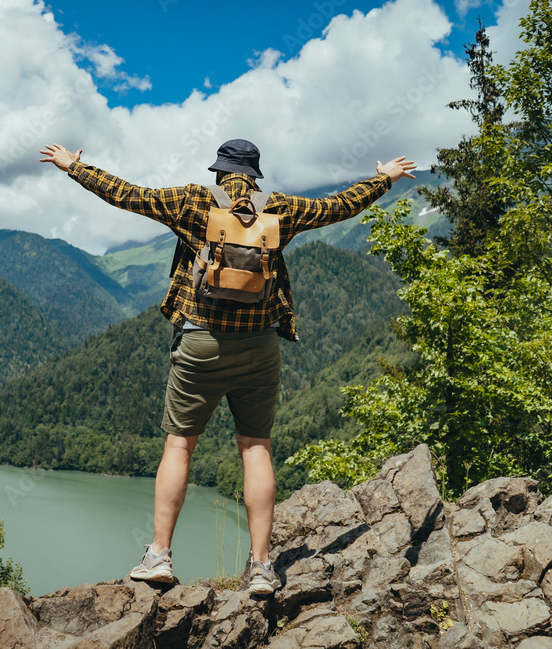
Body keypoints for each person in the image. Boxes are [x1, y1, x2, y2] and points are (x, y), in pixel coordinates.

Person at [40, 139, 415, 594]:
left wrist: (74, 167)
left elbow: (128, 195)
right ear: (254, 174)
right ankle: (261, 567)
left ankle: (159, 557)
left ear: (219, 171)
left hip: (200, 343)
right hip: (259, 346)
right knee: (255, 448)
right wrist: (383, 178)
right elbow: (340, 206)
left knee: (179, 446)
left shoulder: (191, 201)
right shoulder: (280, 208)